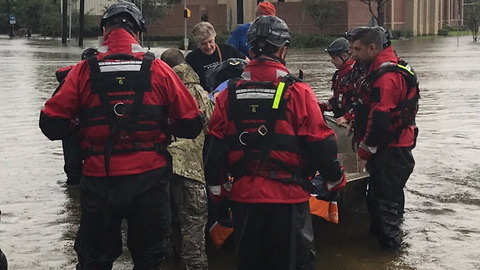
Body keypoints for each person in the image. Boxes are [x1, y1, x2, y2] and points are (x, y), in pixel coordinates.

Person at [39, 2, 204, 269]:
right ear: (138, 33)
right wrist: (164, 124)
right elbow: (191, 123)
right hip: (149, 181)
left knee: (95, 259)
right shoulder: (160, 70)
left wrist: (79, 128)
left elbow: (50, 124)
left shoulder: (82, 71)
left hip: (99, 180)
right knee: (149, 258)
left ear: (105, 30)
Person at [203, 15, 346, 270]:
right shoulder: (299, 92)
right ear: (283, 49)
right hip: (289, 200)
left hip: (245, 199)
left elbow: (214, 152)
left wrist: (219, 197)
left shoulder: (227, 96)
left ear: (250, 49)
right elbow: (322, 145)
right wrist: (335, 182)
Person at [349, 27, 419, 250]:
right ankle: (379, 245)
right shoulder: (380, 69)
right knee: (380, 198)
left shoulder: (387, 77)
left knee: (387, 204)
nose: (353, 53)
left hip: (392, 148)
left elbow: (380, 118)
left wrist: (364, 150)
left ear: (372, 48)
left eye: (357, 49)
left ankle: (390, 252)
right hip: (391, 146)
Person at [160, 48, 213, 270]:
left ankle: (166, 261)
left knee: (161, 224)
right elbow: (213, 126)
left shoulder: (158, 88)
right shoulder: (200, 92)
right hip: (191, 169)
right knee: (194, 226)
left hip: (160, 167)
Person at [186, 21, 246, 92]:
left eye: (210, 41)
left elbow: (247, 64)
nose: (208, 46)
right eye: (203, 44)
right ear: (197, 43)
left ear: (214, 37)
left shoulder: (229, 50)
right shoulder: (192, 58)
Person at [319, 37, 356, 126]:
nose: (332, 61)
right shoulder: (339, 75)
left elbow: (360, 102)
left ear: (344, 56)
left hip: (350, 123)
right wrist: (324, 105)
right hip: (340, 118)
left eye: (334, 58)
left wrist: (347, 117)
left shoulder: (354, 74)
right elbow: (338, 98)